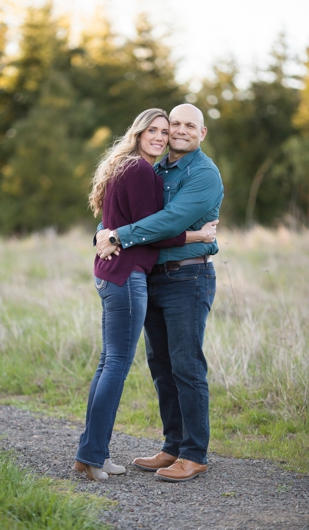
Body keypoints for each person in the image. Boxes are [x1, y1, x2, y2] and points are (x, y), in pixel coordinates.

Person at [74, 109, 218, 482]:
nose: (174, 133)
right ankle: (172, 445)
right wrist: (104, 234)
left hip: (187, 277)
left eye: (185, 127)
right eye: (169, 128)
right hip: (149, 277)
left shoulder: (203, 174)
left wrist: (118, 234)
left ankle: (193, 453)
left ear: (201, 132)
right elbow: (121, 213)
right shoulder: (151, 169)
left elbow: (165, 222)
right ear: (141, 133)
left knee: (185, 365)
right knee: (161, 368)